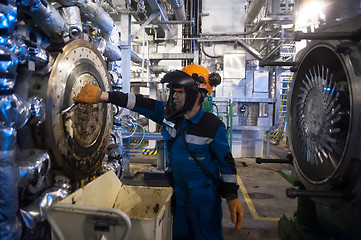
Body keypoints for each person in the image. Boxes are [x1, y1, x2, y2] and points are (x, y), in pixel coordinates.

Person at [73, 64, 244, 239]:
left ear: (197, 95)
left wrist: (232, 196)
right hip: (179, 198)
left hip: (204, 203)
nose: (174, 96)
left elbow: (226, 164)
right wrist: (103, 96)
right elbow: (138, 102)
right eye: (174, 91)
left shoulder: (213, 127)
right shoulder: (169, 114)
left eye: (180, 92)